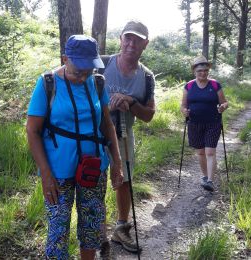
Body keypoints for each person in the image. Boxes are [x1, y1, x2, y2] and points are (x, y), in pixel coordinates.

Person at [26, 35, 124, 259]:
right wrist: (45, 175)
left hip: (93, 167)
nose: (82, 77)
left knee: (91, 224)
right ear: (64, 58)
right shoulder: (47, 83)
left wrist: (117, 162)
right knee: (58, 229)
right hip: (57, 171)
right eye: (77, 71)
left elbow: (107, 124)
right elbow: (32, 130)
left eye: (87, 70)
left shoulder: (98, 82)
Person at [101, 20, 156, 254]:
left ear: (145, 44)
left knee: (123, 180)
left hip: (124, 133)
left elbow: (149, 115)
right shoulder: (101, 64)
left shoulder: (146, 77)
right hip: (93, 133)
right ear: (121, 39)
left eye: (137, 40)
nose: (131, 44)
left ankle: (121, 227)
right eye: (128, 38)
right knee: (93, 181)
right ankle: (97, 231)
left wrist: (131, 102)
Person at [181, 56, 228, 192]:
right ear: (194, 71)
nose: (203, 73)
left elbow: (224, 102)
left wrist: (223, 107)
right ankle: (205, 176)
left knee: (210, 152)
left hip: (213, 123)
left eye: (206, 70)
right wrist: (185, 111)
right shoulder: (189, 86)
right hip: (194, 123)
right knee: (201, 152)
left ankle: (210, 181)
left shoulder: (215, 85)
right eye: (200, 70)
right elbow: (183, 105)